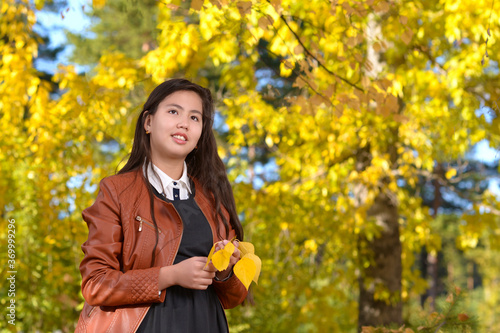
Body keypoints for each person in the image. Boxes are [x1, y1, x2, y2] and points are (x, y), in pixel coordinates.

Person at [75, 79, 248, 333]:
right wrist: (171, 276)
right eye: (173, 111)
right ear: (148, 122)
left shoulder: (214, 199)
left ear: (200, 136)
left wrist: (226, 270)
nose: (184, 123)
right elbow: (96, 283)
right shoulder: (117, 191)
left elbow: (234, 296)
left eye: (194, 118)